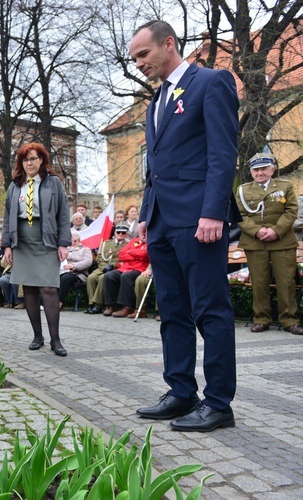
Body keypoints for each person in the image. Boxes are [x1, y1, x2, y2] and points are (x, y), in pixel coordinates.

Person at [130, 20, 240, 432]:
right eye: (135, 58)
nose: (140, 64)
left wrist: (213, 211)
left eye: (144, 54)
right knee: (173, 312)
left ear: (169, 44)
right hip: (161, 223)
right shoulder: (154, 103)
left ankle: (218, 403)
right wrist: (144, 215)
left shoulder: (211, 82)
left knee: (210, 310)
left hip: (199, 221)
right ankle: (180, 392)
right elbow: (154, 169)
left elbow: (222, 150)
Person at [1, 144, 70, 355]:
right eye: (25, 160)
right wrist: (7, 245)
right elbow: (6, 217)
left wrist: (63, 243)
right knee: (29, 289)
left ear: (42, 160)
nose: (29, 163)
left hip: (46, 238)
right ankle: (37, 336)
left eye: (33, 159)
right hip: (21, 240)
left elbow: (63, 214)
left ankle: (55, 340)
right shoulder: (15, 185)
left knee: (49, 288)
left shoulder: (54, 183)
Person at [236, 153, 303, 335]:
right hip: (255, 242)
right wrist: (257, 231)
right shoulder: (243, 190)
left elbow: (291, 211)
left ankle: (290, 320)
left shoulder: (285, 187)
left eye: (264, 169)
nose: (260, 173)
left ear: (272, 170)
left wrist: (276, 230)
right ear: (251, 172)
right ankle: (261, 319)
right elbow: (239, 215)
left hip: (282, 241)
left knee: (286, 282)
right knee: (259, 282)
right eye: (256, 170)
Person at [102, 235, 150, 317]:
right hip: (125, 267)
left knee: (126, 276)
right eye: (143, 232)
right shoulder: (133, 240)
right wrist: (136, 257)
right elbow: (121, 254)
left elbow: (145, 255)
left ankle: (127, 307)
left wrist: (130, 252)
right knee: (108, 276)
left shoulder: (150, 242)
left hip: (140, 269)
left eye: (146, 232)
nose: (144, 234)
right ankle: (110, 305)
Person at [58, 232, 93, 310]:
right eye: (71, 241)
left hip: (78, 274)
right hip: (61, 271)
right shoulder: (64, 249)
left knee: (65, 278)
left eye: (75, 241)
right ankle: (48, 301)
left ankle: (59, 302)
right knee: (53, 277)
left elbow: (88, 262)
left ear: (79, 241)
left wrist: (73, 266)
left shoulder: (85, 249)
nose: (73, 243)